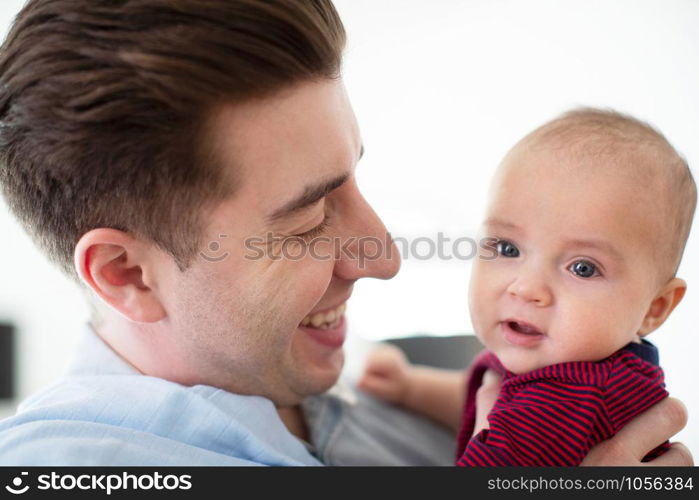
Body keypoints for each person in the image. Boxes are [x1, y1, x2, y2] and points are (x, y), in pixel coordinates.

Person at [0, 0, 691, 465]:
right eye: (307, 218)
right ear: (127, 273)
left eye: (355, 178)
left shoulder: (394, 412)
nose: (386, 256)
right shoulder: (63, 466)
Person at [359, 108, 696, 466]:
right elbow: (487, 403)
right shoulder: (564, 364)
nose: (526, 288)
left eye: (582, 268)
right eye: (508, 248)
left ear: (654, 308)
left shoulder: (570, 399)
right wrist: (411, 388)